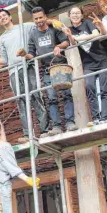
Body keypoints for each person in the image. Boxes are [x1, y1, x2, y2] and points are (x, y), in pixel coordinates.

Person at [0, 9, 49, 143]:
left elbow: (41, 23)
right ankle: (28, 133)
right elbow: (5, 60)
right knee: (21, 101)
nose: (3, 18)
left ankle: (44, 130)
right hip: (13, 71)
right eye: (0, 17)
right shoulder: (2, 38)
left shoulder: (25, 26)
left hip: (28, 66)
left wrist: (53, 22)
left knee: (36, 96)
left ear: (10, 16)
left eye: (4, 15)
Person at [19, 7, 77, 135]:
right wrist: (25, 54)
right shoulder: (33, 34)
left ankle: (70, 123)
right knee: (51, 98)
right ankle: (56, 127)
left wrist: (58, 46)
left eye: (40, 17)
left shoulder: (54, 28)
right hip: (47, 70)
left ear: (45, 17)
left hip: (61, 65)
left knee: (66, 94)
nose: (39, 20)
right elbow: (32, 54)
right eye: (36, 19)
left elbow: (66, 42)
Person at [62, 6, 107, 126]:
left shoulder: (88, 23)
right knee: (90, 87)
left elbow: (95, 34)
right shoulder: (70, 30)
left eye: (78, 13)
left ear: (82, 15)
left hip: (102, 60)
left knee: (104, 89)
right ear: (69, 16)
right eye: (73, 13)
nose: (75, 15)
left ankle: (106, 117)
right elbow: (73, 43)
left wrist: (78, 37)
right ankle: (96, 118)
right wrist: (70, 36)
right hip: (88, 64)